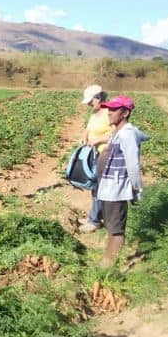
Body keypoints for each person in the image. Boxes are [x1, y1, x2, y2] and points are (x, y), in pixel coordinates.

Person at [96, 95, 149, 267]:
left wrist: (136, 189)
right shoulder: (117, 133)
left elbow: (133, 165)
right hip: (108, 187)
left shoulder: (127, 135)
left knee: (116, 230)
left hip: (116, 188)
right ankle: (107, 259)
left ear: (125, 113)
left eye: (114, 109)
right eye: (108, 109)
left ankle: (108, 266)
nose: (109, 113)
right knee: (111, 226)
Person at [77, 84, 112, 234]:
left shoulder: (109, 113)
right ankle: (97, 216)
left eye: (91, 101)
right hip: (97, 154)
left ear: (98, 98)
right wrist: (84, 136)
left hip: (108, 154)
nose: (89, 104)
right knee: (95, 185)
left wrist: (98, 140)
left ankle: (94, 221)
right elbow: (89, 128)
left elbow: (116, 134)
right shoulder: (95, 113)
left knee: (99, 187)